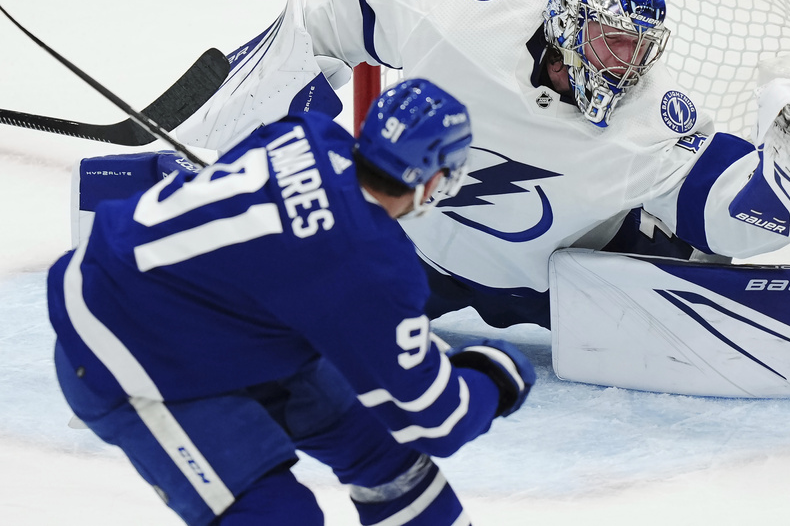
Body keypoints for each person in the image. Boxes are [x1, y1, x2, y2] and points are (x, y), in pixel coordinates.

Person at [173, 0, 790, 330]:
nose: (625, 67)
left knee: (680, 246)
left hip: (557, 290)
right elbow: (338, 9)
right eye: (611, 45)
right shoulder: (471, 9)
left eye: (639, 51)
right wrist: (270, 103)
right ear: (570, 25)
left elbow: (722, 207)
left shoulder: (651, 118)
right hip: (408, 259)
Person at [48, 78, 535, 525]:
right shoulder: (375, 266)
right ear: (432, 179)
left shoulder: (309, 130)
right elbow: (440, 419)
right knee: (277, 516)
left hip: (209, 316)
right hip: (118, 347)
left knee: (388, 452)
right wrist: (497, 375)